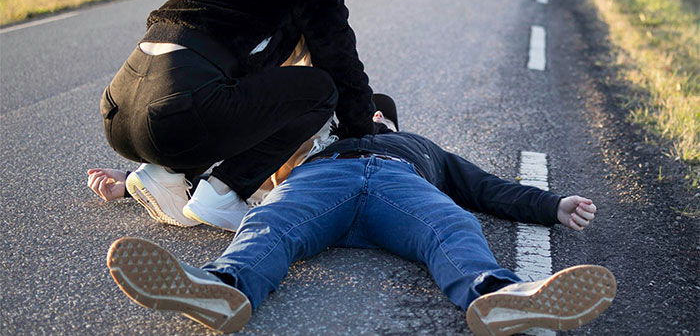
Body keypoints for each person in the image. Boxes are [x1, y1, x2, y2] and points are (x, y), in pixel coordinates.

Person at [105, 111, 616, 336]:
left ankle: (496, 295)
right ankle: (222, 287)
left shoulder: (420, 148)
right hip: (324, 182)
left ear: (391, 122)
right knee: (271, 222)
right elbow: (225, 162)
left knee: (454, 224)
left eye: (378, 113)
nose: (370, 115)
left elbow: (486, 189)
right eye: (361, 111)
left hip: (400, 188)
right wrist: (131, 181)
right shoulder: (313, 146)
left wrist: (552, 205)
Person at [98, 0, 381, 232]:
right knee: (321, 89)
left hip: (119, 112)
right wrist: (363, 131)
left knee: (231, 91)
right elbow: (340, 59)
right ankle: (223, 192)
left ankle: (162, 173)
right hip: (176, 112)